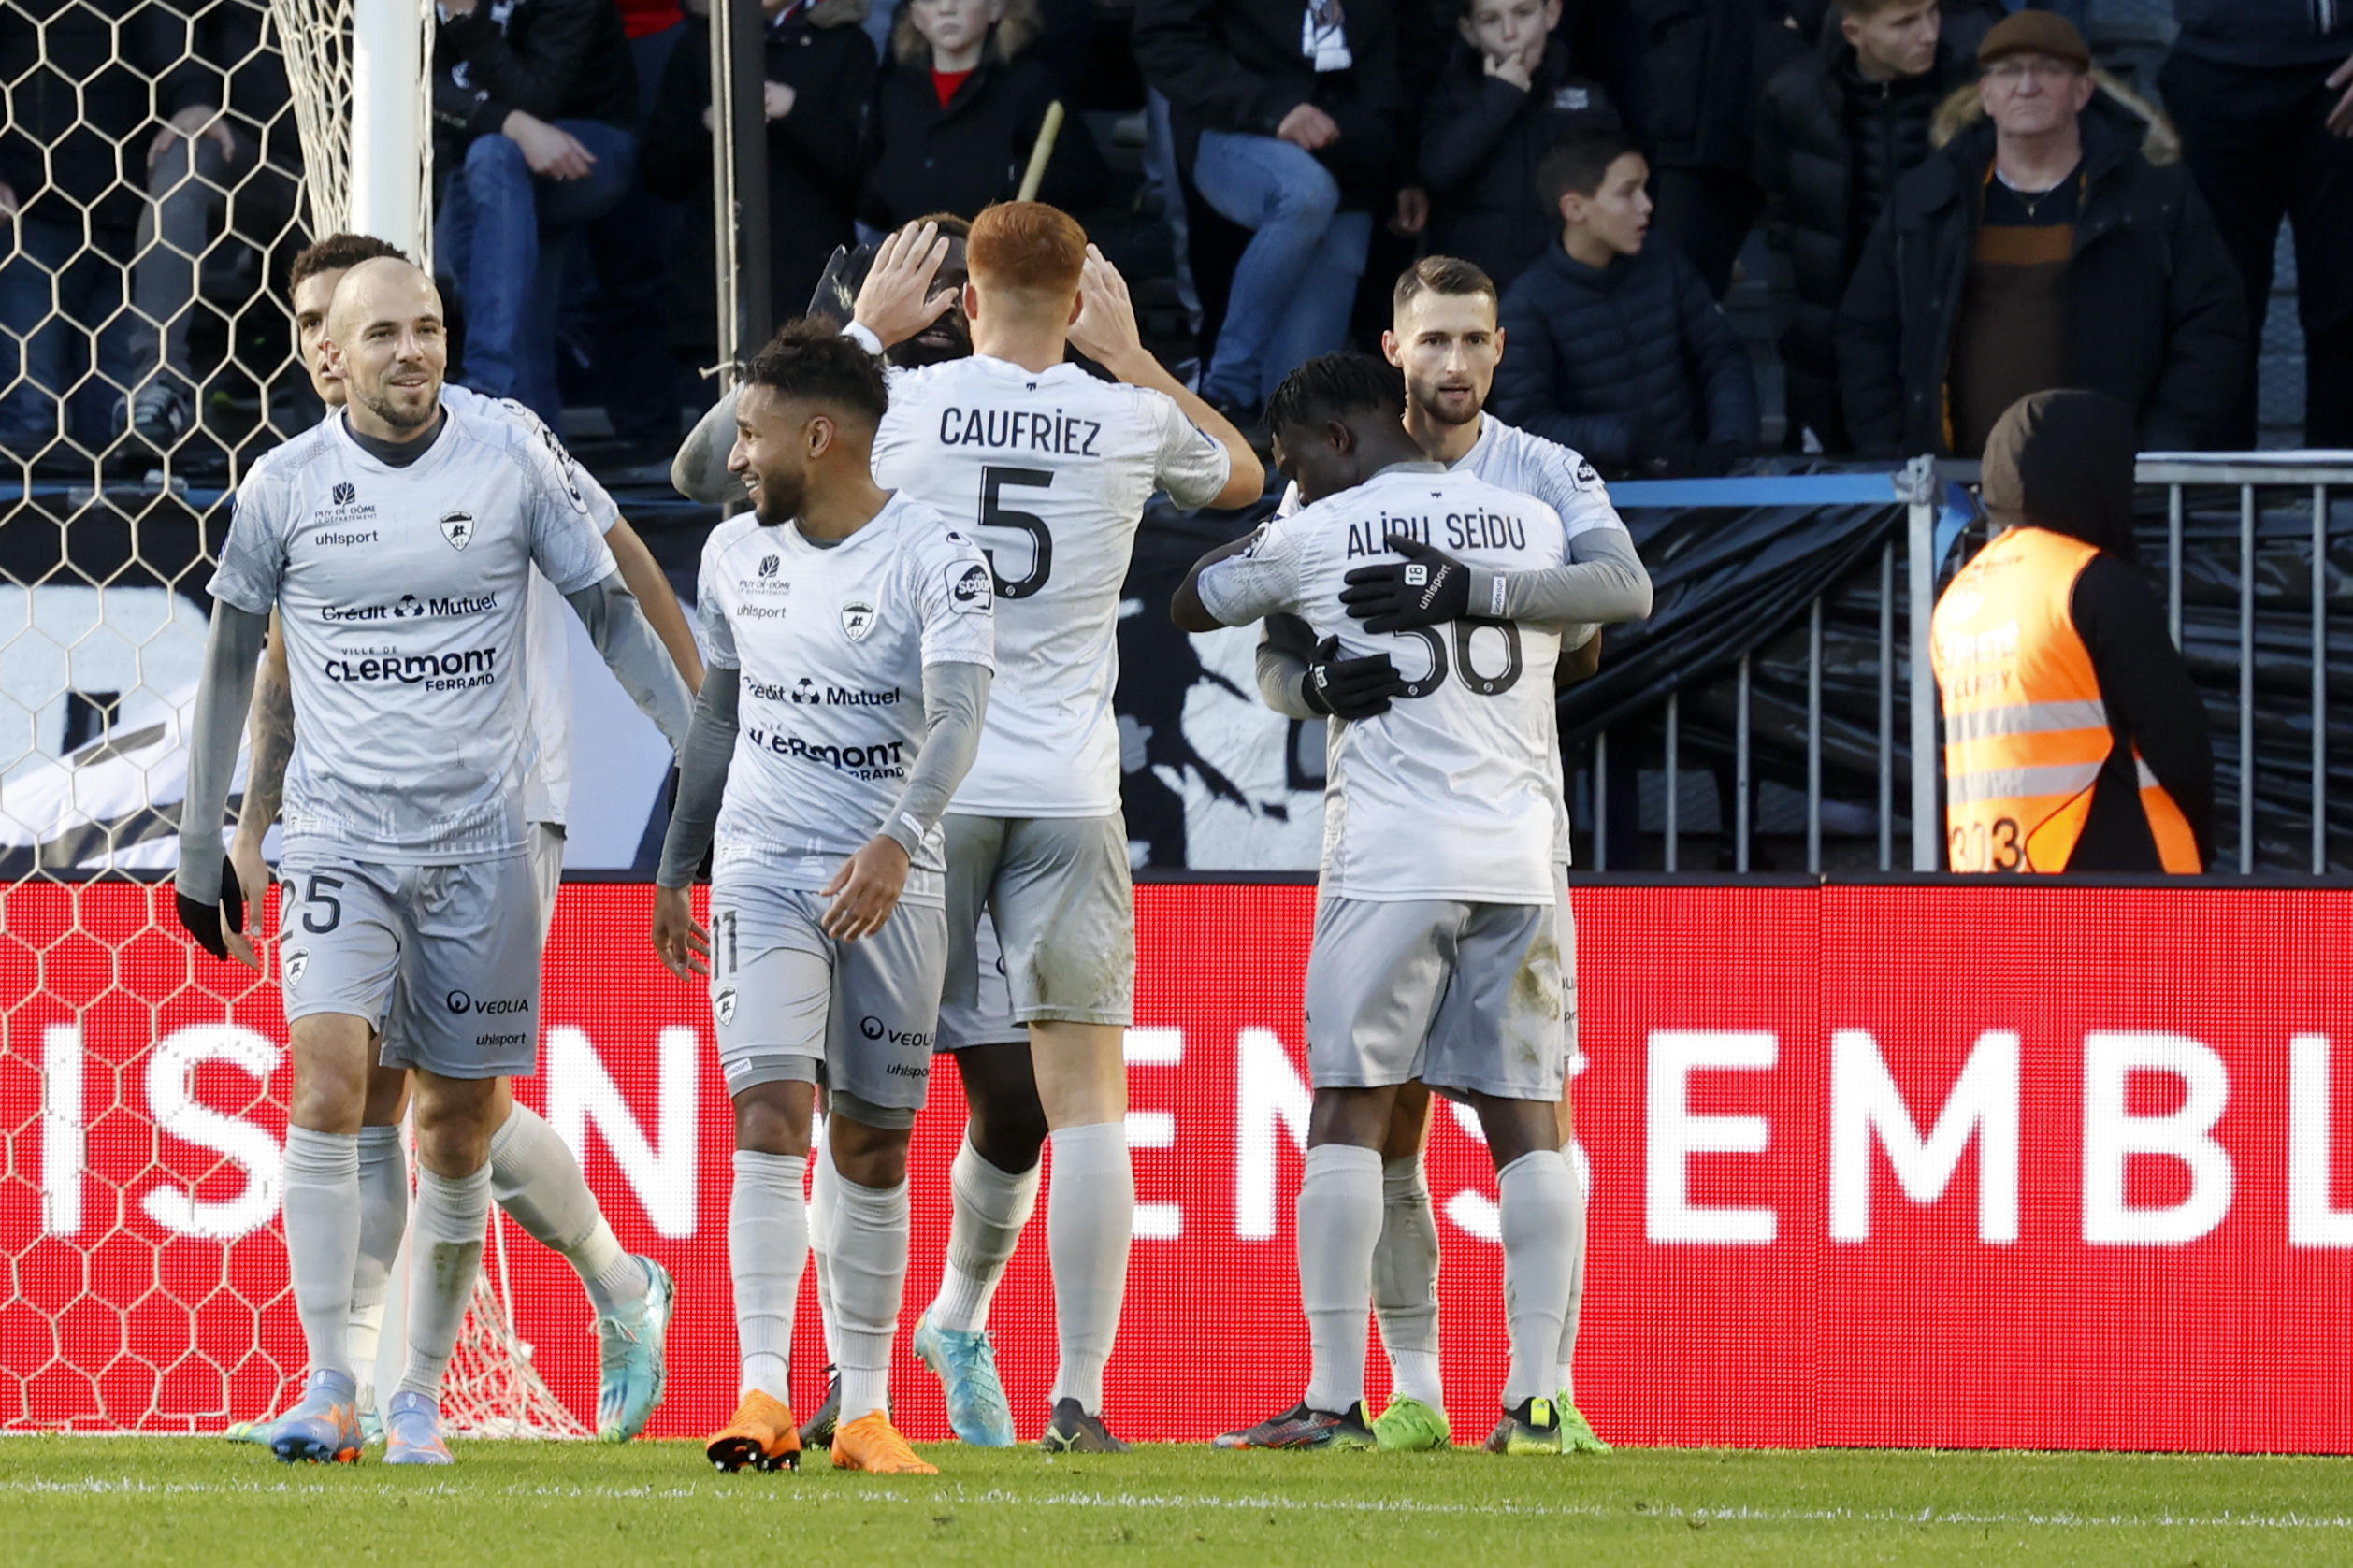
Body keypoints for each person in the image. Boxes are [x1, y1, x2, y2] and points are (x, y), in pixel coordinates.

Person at [170, 257, 694, 1466]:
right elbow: (271, 664)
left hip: (506, 808)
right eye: (330, 332)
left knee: (451, 1113)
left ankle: (587, 1298)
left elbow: (623, 579)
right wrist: (235, 829)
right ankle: (341, 1383)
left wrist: (704, 736)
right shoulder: (290, 486)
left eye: (424, 328)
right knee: (342, 1084)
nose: (372, 350)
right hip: (346, 830)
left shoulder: (510, 446)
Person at [839, 204, 1261, 1451]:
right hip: (1069, 792)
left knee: (874, 1098)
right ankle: (1079, 1396)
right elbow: (1243, 476)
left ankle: (849, 1377)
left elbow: (769, 446)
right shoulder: (1129, 418)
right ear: (1080, 303)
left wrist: (867, 335)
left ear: (965, 301)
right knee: (1085, 1106)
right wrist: (1131, 360)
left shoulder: (904, 410)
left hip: (922, 794)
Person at [1249, 254, 1647, 1452]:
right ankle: (1425, 1392)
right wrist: (1319, 678)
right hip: (1479, 838)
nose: (1455, 365)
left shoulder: (1536, 467)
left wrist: (1470, 597)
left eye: (1474, 341)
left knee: (1399, 1108)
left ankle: (1495, 1391)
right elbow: (1276, 665)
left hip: (1434, 836)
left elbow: (1615, 598)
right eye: (1433, 343)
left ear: (1501, 349)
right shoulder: (1356, 469)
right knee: (1430, 1120)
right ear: (1393, 349)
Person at [1173, 352, 1581, 1456]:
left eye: (1291, 455)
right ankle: (1536, 1402)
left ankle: (1332, 1398)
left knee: (1349, 1111)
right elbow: (1582, 641)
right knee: (1526, 1125)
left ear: (1338, 441)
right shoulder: (1527, 520)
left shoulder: (1317, 526)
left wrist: (1291, 531)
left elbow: (1192, 598)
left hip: (1390, 857)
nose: (1286, 474)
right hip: (1518, 854)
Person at [652, 319, 995, 1475]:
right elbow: (715, 719)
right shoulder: (731, 556)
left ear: (819, 434)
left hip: (892, 880)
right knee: (769, 1116)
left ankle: (860, 1410)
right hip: (762, 865)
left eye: (750, 434)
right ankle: (758, 1392)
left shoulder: (936, 556)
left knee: (874, 1145)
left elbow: (955, 715)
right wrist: (674, 862)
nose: (735, 459)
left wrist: (900, 839)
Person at [1835, 10, 2247, 459]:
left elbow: (2212, 327)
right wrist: (1891, 451)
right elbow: (1865, 332)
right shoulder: (1926, 201)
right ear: (1985, 94)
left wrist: (2163, 444)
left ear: (2082, 91)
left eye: (2049, 70)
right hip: (1954, 497)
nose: (2027, 86)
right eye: (2008, 72)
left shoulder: (2155, 198)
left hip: (2107, 488)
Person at [1931, 389, 2213, 873]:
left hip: (1989, 875)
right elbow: (2176, 738)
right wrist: (2203, 844)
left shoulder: (1959, 597)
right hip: (2114, 871)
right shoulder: (2092, 582)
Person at [1133, 0, 1405, 421]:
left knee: (1302, 404)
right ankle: (1226, 383)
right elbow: (1164, 39)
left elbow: (1412, 49)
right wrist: (1271, 109)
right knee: (1304, 193)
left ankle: (1285, 466)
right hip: (1233, 127)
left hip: (1355, 162)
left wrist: (1408, 173)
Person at [1754, 0, 1990, 453]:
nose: (1927, 32)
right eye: (1904, 23)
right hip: (1831, 335)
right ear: (1853, 32)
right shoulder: (1793, 98)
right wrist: (1793, 324)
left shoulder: (1973, 90)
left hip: (1945, 322)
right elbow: (1784, 223)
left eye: (1932, 13)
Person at [1494, 129, 1759, 478]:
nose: (1646, 205)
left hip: (1695, 477)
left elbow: (1721, 356)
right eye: (1627, 193)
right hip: (1596, 497)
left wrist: (1730, 444)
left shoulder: (1664, 261)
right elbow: (1526, 424)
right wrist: (1629, 443)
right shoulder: (1527, 306)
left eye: (1645, 189)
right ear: (1574, 207)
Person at [432, 0, 642, 425]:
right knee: (514, 295)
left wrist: (465, 21)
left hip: (585, 146)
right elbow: (410, 89)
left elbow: (539, 95)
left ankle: (488, 387)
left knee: (493, 161)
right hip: (482, 151)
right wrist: (511, 124)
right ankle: (539, 456)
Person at [2159, 0, 2353, 447]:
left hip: (2339, 66)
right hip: (2212, 63)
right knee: (2214, 304)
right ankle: (2215, 497)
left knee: (2347, 299)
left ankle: (2343, 502)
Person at [642, 0, 879, 352]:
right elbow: (660, 174)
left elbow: (866, 180)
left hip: (812, 288)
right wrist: (708, 127)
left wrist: (796, 112)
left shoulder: (847, 45)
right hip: (714, 287)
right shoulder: (700, 43)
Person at [0, 0, 178, 460]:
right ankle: (31, 533)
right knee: (30, 409)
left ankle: (109, 531)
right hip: (31, 218)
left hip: (128, 224)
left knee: (115, 419)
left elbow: (178, 54)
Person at [126, 0, 301, 456]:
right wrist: (193, 99)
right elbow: (171, 14)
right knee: (184, 157)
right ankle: (160, 386)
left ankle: (340, 420)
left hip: (350, 166)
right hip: (240, 148)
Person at [1417, 0, 1617, 295]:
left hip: (1568, 290)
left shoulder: (1585, 95)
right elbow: (1437, 171)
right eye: (1490, 20)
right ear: (1469, 31)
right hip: (1473, 293)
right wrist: (1499, 98)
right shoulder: (1451, 92)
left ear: (1551, 14)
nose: (1510, 33)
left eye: (1523, 14)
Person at [859, 0, 1108, 231]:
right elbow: (869, 190)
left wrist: (1010, 177)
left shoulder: (1030, 86)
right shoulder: (893, 93)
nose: (946, 8)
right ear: (914, 15)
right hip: (914, 262)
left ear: (996, 7)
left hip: (998, 264)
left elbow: (1086, 181)